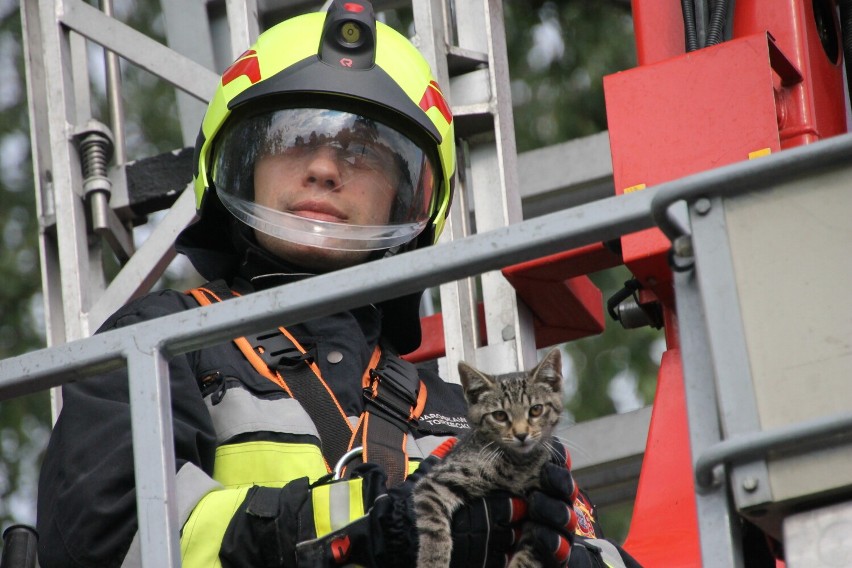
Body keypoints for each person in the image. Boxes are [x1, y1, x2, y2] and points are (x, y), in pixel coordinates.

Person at [36, 1, 640, 566]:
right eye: (293, 140)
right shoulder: (161, 344)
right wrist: (370, 529)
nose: (324, 168)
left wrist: (569, 555)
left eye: (363, 151)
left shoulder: (464, 412)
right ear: (239, 165)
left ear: (407, 199)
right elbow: (112, 539)